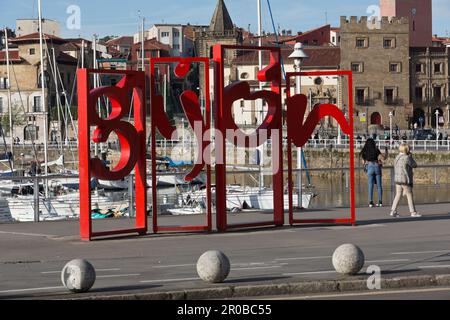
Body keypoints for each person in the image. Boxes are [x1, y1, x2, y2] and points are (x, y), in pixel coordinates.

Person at [390, 143, 421, 218]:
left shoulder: (397, 157)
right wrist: (411, 157)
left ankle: (393, 211)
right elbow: (414, 165)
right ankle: (413, 212)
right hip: (404, 179)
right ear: (406, 150)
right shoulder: (407, 157)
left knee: (398, 194)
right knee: (409, 194)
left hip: (397, 179)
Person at [361, 138, 387, 207]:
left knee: (370, 185)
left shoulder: (365, 151)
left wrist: (365, 166)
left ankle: (370, 202)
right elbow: (383, 158)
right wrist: (386, 152)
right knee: (379, 185)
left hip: (369, 166)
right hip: (377, 166)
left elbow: (363, 162)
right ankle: (380, 202)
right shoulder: (376, 150)